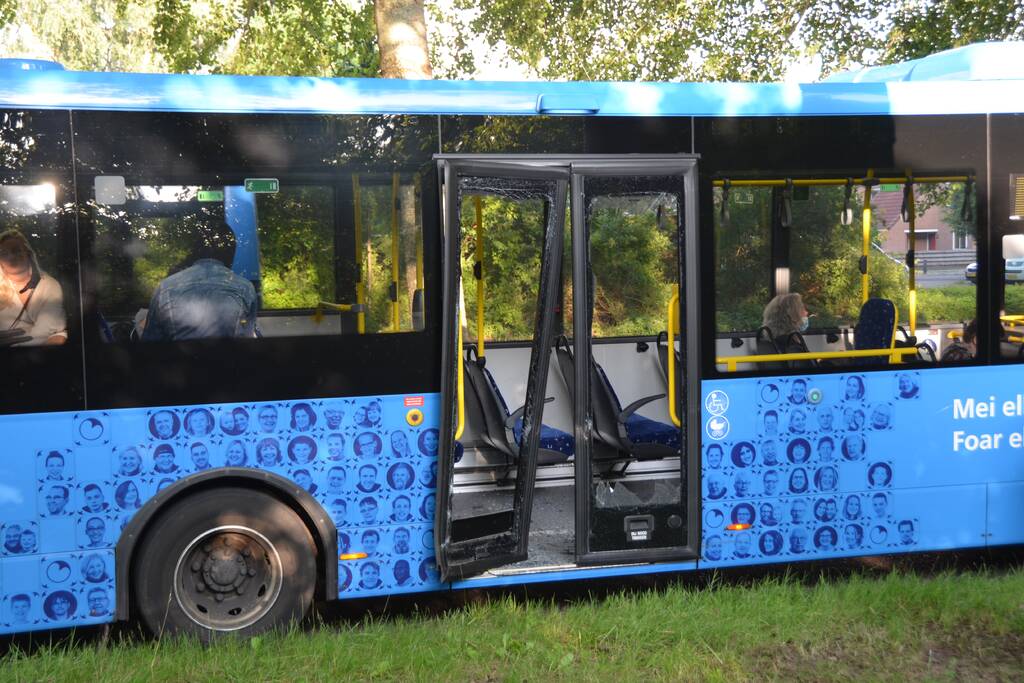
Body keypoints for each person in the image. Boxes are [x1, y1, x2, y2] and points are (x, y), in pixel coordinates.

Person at [141, 221, 257, 341]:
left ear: (194, 252)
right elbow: (247, 336)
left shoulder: (165, 286)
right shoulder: (245, 287)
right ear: (231, 253)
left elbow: (151, 341)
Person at [0, 229, 67, 345]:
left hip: (33, 355)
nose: (11, 257)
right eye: (4, 253)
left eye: (16, 251)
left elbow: (44, 332)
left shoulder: (49, 286)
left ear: (28, 252)